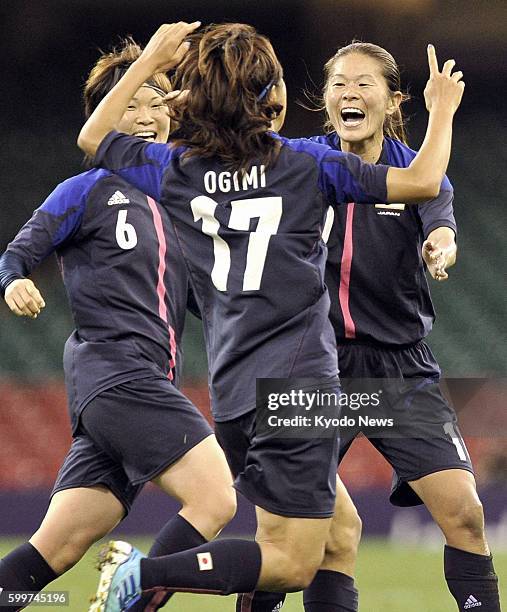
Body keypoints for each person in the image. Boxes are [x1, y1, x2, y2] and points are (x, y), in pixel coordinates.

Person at [77, 21, 465, 612]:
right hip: (300, 386)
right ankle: (144, 572)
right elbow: (421, 179)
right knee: (290, 562)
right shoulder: (306, 164)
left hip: (232, 391)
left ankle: (144, 582)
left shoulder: (176, 169)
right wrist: (441, 112)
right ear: (271, 101)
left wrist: (150, 57)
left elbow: (92, 136)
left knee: (340, 535)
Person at [0, 39, 236, 612]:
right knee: (215, 499)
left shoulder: (183, 209)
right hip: (119, 374)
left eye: (158, 102)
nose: (148, 115)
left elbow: (213, 305)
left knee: (56, 546)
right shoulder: (87, 189)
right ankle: (133, 598)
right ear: (105, 115)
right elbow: (16, 254)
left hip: (125, 388)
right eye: (132, 102)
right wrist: (14, 281)